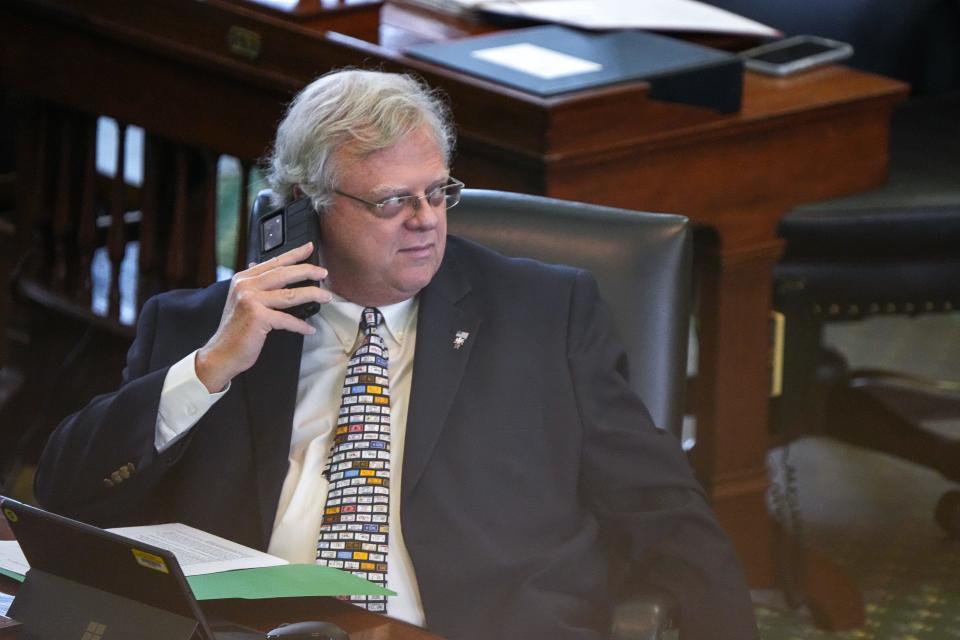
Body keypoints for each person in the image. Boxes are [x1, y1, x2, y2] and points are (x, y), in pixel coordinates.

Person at [34, 69, 758, 639]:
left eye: (438, 192)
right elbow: (65, 496)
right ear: (303, 204)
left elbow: (665, 509)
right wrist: (210, 369)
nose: (424, 223)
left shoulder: (545, 314)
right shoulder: (206, 325)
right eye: (390, 203)